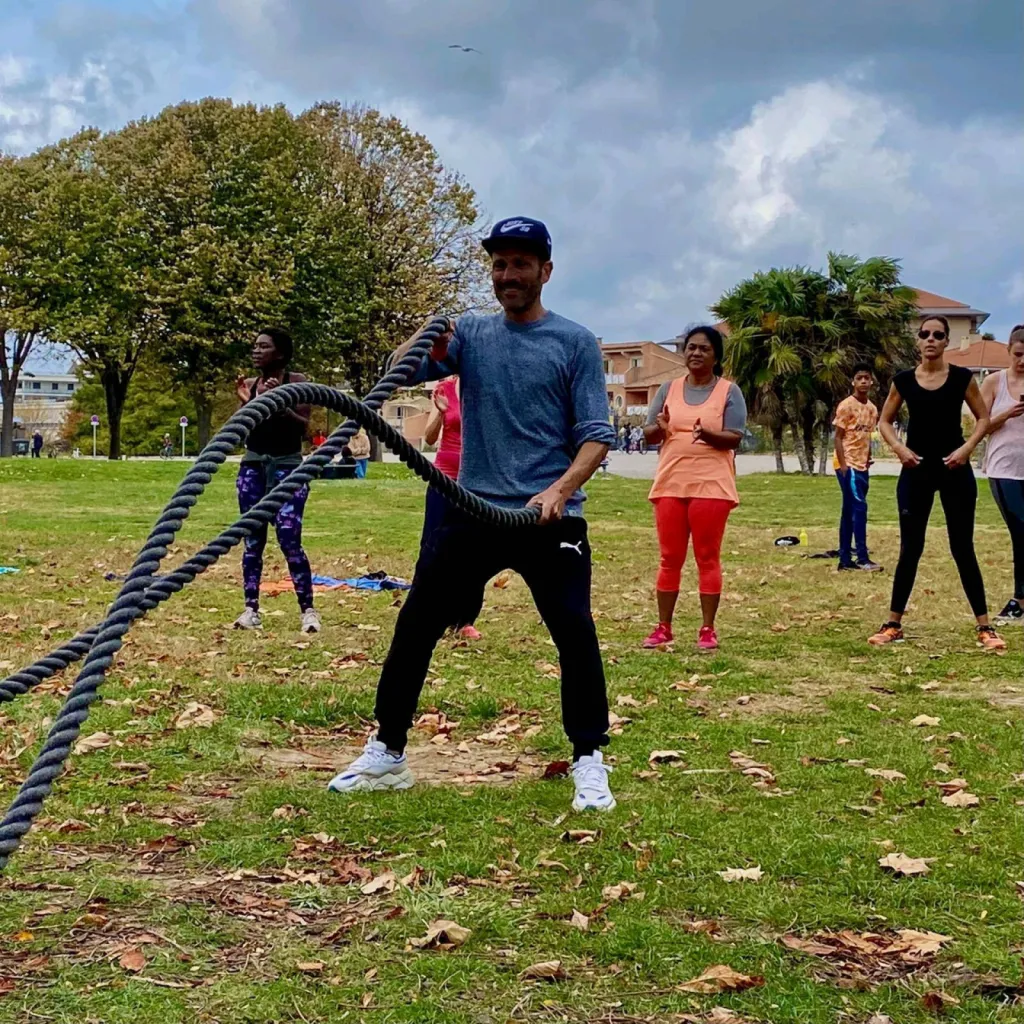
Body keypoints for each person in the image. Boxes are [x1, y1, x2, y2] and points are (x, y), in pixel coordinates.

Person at [328, 216, 617, 811]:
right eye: (499, 264)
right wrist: (427, 336)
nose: (507, 275)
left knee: (575, 633)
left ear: (545, 271)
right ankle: (388, 752)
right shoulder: (474, 335)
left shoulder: (574, 342)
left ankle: (589, 759)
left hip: (548, 517)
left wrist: (560, 491)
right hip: (474, 509)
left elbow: (596, 437)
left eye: (520, 264)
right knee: (416, 625)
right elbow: (401, 370)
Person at [870, 316, 1005, 649]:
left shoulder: (961, 379)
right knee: (910, 549)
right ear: (918, 341)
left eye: (938, 335)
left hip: (954, 469)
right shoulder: (902, 380)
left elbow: (983, 418)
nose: (931, 339)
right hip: (916, 471)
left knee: (962, 548)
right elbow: (884, 421)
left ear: (946, 342)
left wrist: (966, 449)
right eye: (925, 334)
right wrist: (900, 450)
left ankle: (985, 628)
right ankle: (893, 624)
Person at [641, 325, 745, 652]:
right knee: (670, 558)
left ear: (716, 356)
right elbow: (649, 433)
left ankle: (707, 629)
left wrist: (709, 435)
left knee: (707, 557)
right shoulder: (667, 389)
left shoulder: (729, 391)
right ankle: (663, 627)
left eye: (703, 349)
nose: (696, 353)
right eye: (690, 348)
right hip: (671, 482)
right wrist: (657, 429)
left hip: (711, 485)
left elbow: (735, 436)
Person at [233, 327, 321, 635]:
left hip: (288, 468)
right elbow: (242, 430)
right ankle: (250, 609)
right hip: (254, 467)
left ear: (280, 353)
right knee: (252, 539)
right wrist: (251, 401)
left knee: (288, 537)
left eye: (263, 346)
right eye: (254, 346)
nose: (256, 351)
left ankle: (308, 610)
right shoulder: (248, 384)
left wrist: (279, 403)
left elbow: (304, 429)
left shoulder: (298, 383)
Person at [422, 377, 482, 640]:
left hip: (477, 482)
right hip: (443, 479)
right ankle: (427, 612)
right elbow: (429, 438)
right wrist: (442, 414)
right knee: (433, 546)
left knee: (474, 550)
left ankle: (465, 619)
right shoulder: (444, 389)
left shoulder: (486, 385)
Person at [980, 324, 1024, 624]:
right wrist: (1007, 413)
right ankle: (1018, 600)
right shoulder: (995, 383)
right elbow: (981, 427)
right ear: (1009, 352)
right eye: (1018, 355)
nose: (1023, 361)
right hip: (1004, 469)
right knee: (1021, 534)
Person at [833, 363, 883, 572]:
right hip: (848, 464)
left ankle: (845, 559)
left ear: (871, 382)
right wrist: (844, 465)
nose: (863, 381)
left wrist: (868, 457)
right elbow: (837, 437)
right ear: (853, 382)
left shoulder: (872, 409)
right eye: (859, 378)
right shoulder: (846, 405)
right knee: (860, 508)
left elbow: (867, 437)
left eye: (867, 378)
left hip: (862, 465)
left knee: (849, 510)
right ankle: (862, 557)